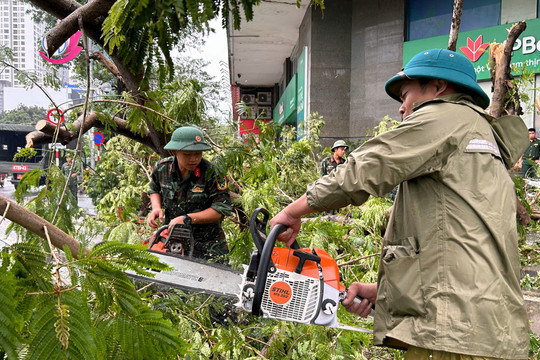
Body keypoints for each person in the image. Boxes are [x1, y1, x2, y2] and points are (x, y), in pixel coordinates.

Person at [269, 49, 530, 359]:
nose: (402, 108)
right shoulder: (482, 137)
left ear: (437, 87)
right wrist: (385, 292)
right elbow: (461, 246)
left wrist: (292, 211)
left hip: (452, 334)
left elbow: (363, 170)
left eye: (406, 96)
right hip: (489, 330)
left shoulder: (444, 118)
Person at [147, 126, 233, 263]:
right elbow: (154, 189)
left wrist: (187, 218)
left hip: (209, 246)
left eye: (198, 154)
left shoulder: (212, 173)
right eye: (187, 154)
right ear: (175, 152)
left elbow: (220, 209)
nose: (194, 159)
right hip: (174, 242)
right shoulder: (162, 168)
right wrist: (156, 208)